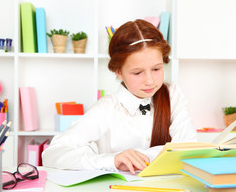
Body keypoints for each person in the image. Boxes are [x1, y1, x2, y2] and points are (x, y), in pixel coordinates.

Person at [42, 19, 197, 174]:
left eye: (156, 69)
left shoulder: (172, 95)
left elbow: (187, 147)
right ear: (118, 72)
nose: (150, 80)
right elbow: (53, 153)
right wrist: (112, 160)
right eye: (137, 72)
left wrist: (142, 157)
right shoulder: (107, 108)